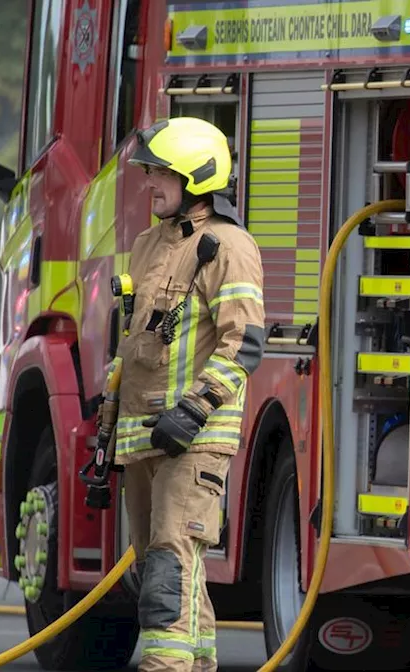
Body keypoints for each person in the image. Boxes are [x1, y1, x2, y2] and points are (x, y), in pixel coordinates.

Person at [108, 116, 265, 671]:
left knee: (168, 575)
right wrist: (108, 415)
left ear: (196, 179)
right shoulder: (149, 244)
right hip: (142, 438)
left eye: (160, 173)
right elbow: (139, 340)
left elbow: (243, 344)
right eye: (149, 170)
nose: (149, 180)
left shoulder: (228, 247)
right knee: (157, 570)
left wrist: (195, 409)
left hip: (193, 439)